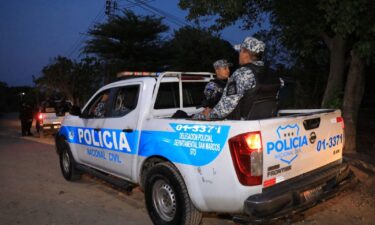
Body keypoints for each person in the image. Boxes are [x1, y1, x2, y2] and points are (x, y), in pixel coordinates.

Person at [193, 36, 271, 120]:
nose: (239, 54)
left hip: (240, 125)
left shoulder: (242, 74)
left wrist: (205, 115)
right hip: (267, 121)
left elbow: (225, 108)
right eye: (224, 68)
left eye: (240, 51)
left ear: (245, 53)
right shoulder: (271, 73)